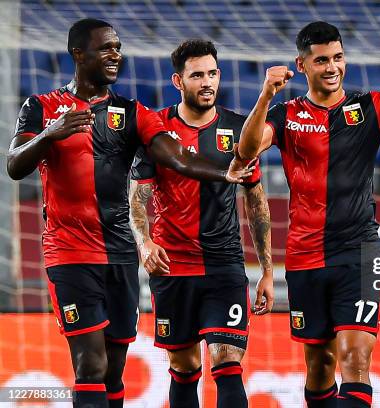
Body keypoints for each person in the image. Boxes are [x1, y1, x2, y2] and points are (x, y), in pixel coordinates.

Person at [7, 19, 251, 408]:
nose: (115, 55)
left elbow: (174, 156)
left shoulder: (131, 111)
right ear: (79, 54)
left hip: (119, 255)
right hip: (69, 254)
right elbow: (15, 165)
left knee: (113, 371)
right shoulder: (41, 107)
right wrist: (50, 133)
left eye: (117, 48)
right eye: (106, 48)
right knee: (90, 363)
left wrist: (225, 172)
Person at [238, 21, 380, 407]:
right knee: (319, 367)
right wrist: (264, 97)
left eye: (338, 58)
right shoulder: (285, 114)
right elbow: (247, 150)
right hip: (305, 256)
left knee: (356, 360)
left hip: (359, 252)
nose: (332, 67)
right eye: (321, 60)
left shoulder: (372, 105)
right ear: (302, 65)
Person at [129, 39, 273, 408]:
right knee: (184, 365)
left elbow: (256, 203)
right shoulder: (156, 130)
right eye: (197, 75)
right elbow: (138, 199)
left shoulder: (239, 129)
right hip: (171, 266)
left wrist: (268, 271)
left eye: (212, 73)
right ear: (179, 81)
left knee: (227, 361)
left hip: (223, 264)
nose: (206, 82)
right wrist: (144, 242)